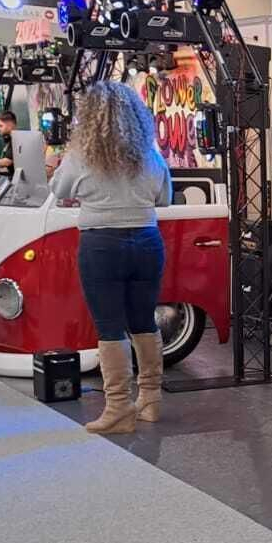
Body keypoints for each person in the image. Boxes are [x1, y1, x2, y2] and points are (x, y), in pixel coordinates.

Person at [49, 81, 172, 435]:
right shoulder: (150, 153)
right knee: (143, 321)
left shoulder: (82, 155)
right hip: (148, 241)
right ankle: (149, 399)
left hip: (101, 244)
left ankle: (118, 407)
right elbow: (164, 198)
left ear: (89, 117)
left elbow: (59, 189)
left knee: (109, 326)